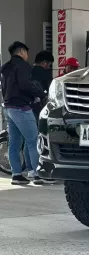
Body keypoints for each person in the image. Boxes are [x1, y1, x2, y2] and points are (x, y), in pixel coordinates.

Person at [0, 41, 45, 185]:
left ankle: (17, 175)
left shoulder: (5, 67)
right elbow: (25, 84)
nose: (28, 55)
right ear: (21, 51)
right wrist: (40, 93)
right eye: (27, 52)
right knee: (33, 141)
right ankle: (38, 174)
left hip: (8, 108)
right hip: (21, 108)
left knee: (14, 143)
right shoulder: (23, 65)